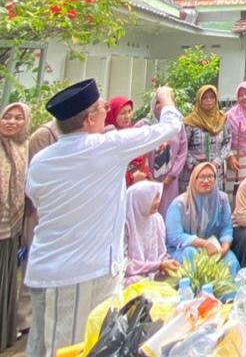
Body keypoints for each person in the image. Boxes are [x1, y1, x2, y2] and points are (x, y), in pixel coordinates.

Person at [25, 81, 182, 357]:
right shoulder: (106, 147)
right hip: (80, 276)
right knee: (75, 349)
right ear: (89, 119)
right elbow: (169, 128)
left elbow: (37, 200)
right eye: (102, 108)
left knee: (41, 347)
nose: (106, 110)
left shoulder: (41, 160)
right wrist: (166, 99)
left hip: (44, 271)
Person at [15, 115, 60, 339]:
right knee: (33, 261)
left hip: (54, 209)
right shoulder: (44, 135)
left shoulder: (60, 133)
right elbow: (38, 174)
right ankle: (24, 318)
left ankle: (37, 316)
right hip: (37, 209)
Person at [166, 162, 240, 276]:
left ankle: (227, 293)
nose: (206, 181)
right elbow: (174, 236)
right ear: (193, 179)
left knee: (231, 261)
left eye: (210, 176)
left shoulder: (222, 200)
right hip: (184, 249)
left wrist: (224, 249)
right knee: (190, 254)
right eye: (202, 177)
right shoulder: (179, 204)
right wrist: (203, 244)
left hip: (213, 248)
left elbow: (227, 228)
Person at [0, 102, 29, 350]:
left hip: (11, 228)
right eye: (7, 117)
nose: (11, 122)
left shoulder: (23, 149)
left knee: (7, 282)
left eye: (18, 118)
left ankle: (5, 335)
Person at [136, 91, 187, 215]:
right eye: (158, 102)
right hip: (147, 179)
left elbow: (182, 151)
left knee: (168, 212)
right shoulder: (143, 125)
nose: (162, 106)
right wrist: (147, 174)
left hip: (170, 181)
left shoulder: (178, 126)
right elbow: (137, 153)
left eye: (165, 102)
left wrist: (172, 175)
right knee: (147, 211)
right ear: (153, 105)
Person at [123, 181, 179, 286]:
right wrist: (157, 265)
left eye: (158, 197)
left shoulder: (157, 219)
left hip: (153, 273)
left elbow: (161, 253)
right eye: (154, 198)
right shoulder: (125, 225)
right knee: (136, 282)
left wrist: (164, 266)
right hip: (129, 278)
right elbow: (124, 266)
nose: (158, 202)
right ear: (141, 200)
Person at [182, 85, 233, 192]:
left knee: (214, 203)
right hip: (194, 172)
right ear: (199, 100)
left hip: (215, 172)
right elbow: (183, 147)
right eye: (205, 98)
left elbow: (227, 142)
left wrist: (217, 162)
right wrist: (195, 165)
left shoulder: (222, 119)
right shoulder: (190, 122)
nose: (208, 100)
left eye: (212, 97)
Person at [108, 96, 149, 187]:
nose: (127, 116)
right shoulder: (107, 138)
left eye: (129, 112)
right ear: (113, 114)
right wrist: (131, 177)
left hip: (138, 186)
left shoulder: (135, 134)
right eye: (122, 113)